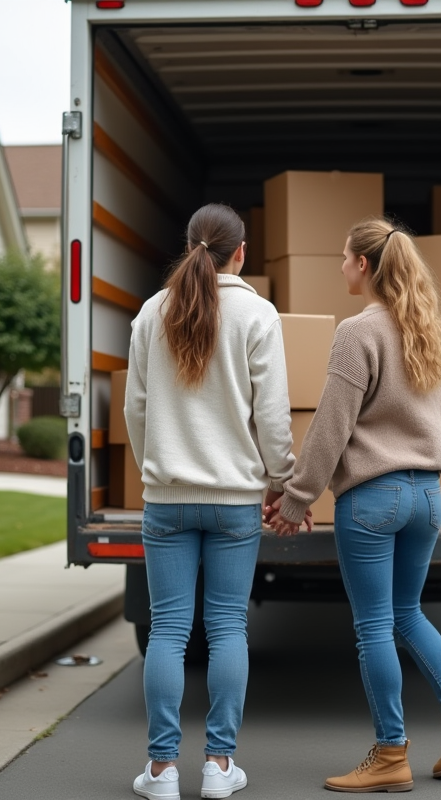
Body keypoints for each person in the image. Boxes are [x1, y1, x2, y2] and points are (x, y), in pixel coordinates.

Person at [264, 218, 441, 793]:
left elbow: (331, 426)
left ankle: (391, 754)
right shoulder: (423, 328)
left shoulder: (357, 331)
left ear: (364, 266)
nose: (341, 266)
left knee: (373, 628)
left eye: (344, 258)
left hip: (374, 498)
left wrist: (295, 498)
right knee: (407, 613)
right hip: (427, 496)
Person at [125, 202, 307, 800]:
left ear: (190, 247)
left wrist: (155, 469)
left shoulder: (152, 312)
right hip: (235, 502)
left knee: (169, 632)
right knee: (228, 626)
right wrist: (281, 483)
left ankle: (161, 772)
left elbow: (136, 408)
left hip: (167, 498)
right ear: (242, 252)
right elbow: (272, 416)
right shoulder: (258, 313)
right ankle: (219, 769)